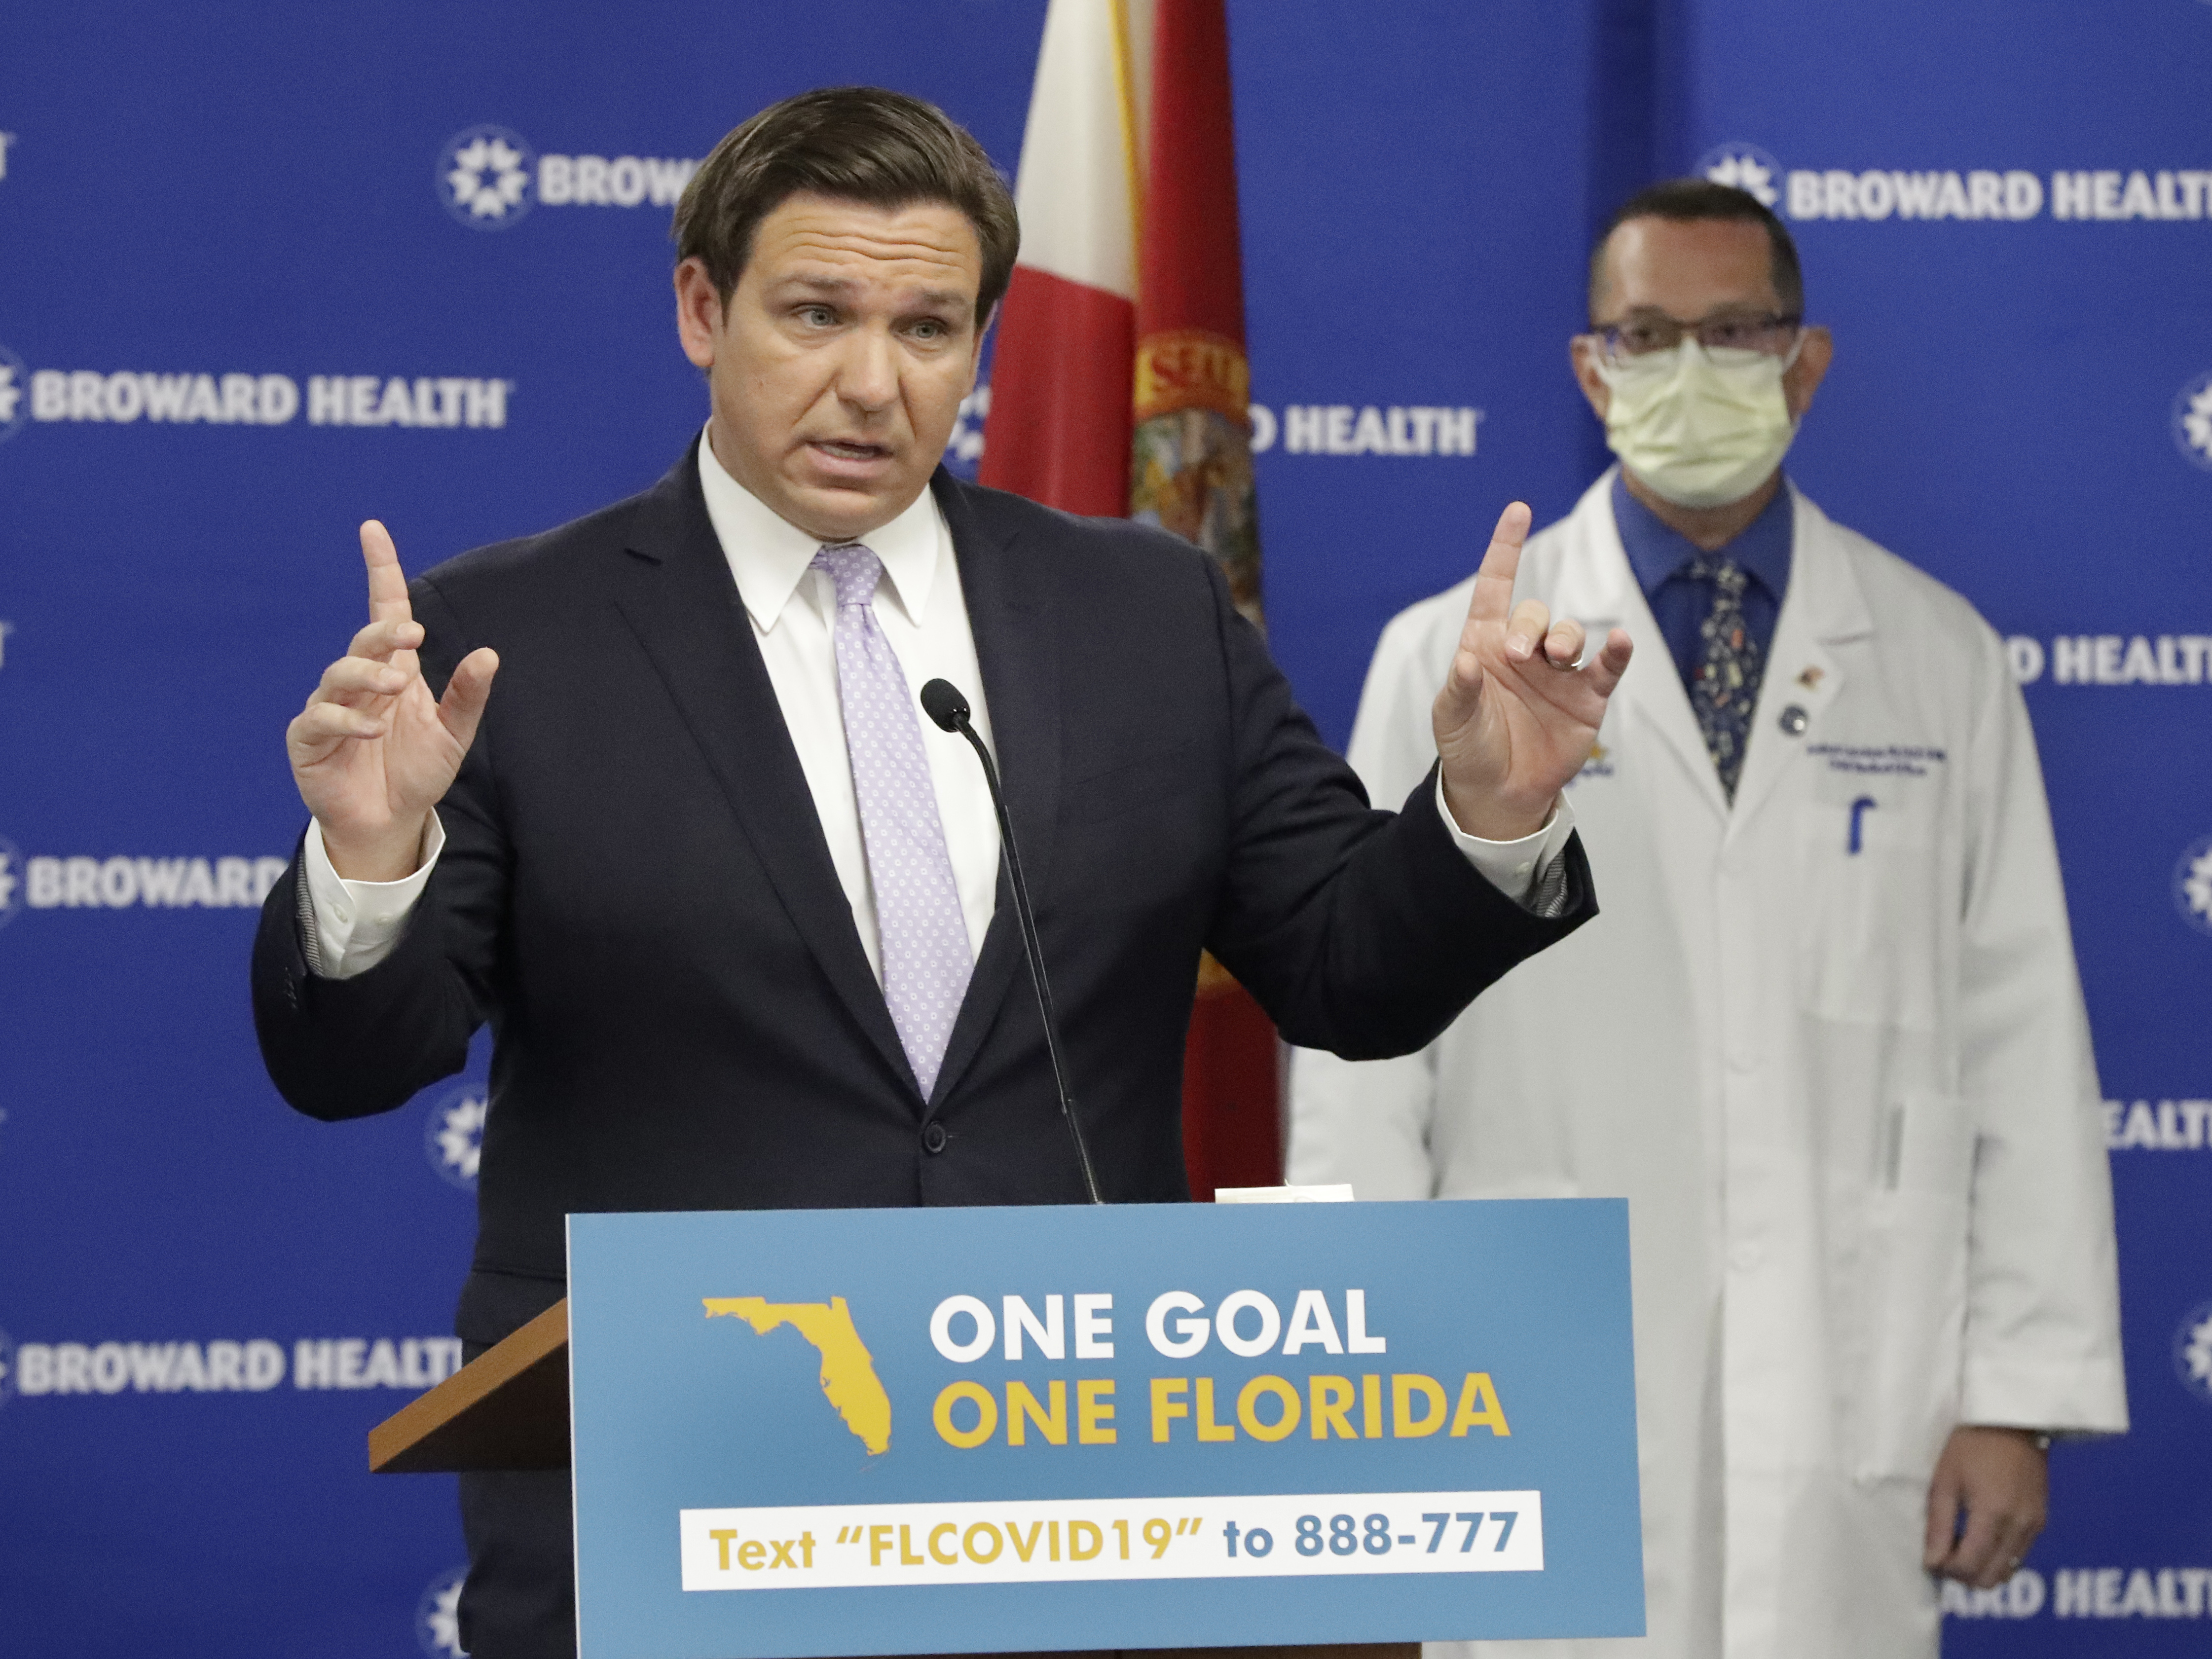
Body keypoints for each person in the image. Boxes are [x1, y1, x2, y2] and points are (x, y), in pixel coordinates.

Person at [251, 88, 1631, 1658]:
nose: (868, 383)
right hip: (672, 1506)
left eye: (927, 327)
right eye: (816, 312)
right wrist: (374, 861)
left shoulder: (1143, 613)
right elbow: (360, 1060)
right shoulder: (519, 636)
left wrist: (1484, 808)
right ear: (703, 309)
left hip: (1065, 1508)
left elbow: (1345, 969)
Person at [1289, 178, 2127, 1659]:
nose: (1690, 370)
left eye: (1732, 332)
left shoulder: (1934, 656)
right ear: (1587, 366)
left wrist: (2013, 1396)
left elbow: (2018, 1037)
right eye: (1646, 333)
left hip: (1854, 1373)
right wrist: (1362, 1386)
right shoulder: (1451, 650)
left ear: (1804, 361)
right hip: (1523, 1369)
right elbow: (1365, 1047)